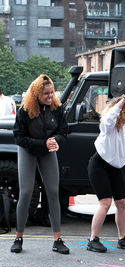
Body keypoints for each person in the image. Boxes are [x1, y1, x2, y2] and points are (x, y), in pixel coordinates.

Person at [12, 74, 69, 254]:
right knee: (26, 192)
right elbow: (19, 137)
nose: (50, 96)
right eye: (46, 93)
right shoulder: (25, 110)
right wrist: (42, 143)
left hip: (47, 151)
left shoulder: (56, 108)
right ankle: (19, 237)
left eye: (52, 92)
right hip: (28, 150)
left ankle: (57, 239)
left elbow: (64, 130)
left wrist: (55, 139)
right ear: (37, 94)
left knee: (53, 191)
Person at [86, 90, 125, 253]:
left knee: (122, 202)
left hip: (115, 167)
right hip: (99, 164)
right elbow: (109, 117)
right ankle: (93, 239)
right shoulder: (108, 125)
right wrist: (123, 99)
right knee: (105, 202)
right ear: (119, 111)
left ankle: (123, 238)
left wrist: (121, 159)